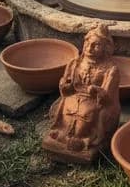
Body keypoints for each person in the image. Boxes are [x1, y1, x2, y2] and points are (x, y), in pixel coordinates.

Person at [43, 23, 120, 163]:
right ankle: (64, 134)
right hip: (74, 97)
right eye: (88, 44)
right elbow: (65, 87)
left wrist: (97, 91)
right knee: (67, 105)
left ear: (106, 48)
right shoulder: (75, 63)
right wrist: (64, 85)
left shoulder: (111, 69)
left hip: (95, 102)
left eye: (96, 45)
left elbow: (109, 96)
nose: (90, 48)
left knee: (86, 113)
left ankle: (84, 139)